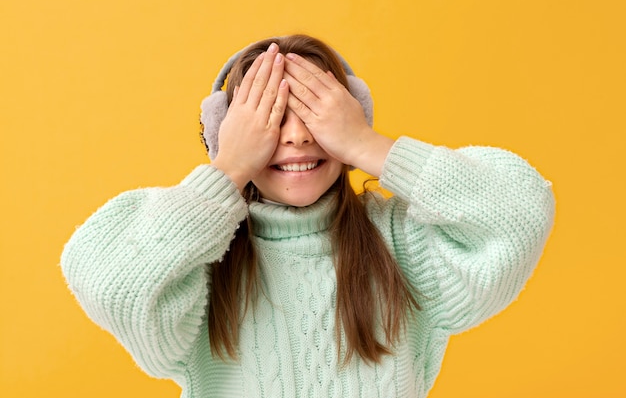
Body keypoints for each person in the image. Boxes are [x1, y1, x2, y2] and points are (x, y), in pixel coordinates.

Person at [61, 34, 555, 398]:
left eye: (315, 113)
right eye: (269, 118)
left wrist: (367, 146)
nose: (296, 137)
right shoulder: (199, 261)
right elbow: (114, 283)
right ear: (224, 132)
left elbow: (519, 214)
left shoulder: (402, 244)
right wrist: (229, 168)